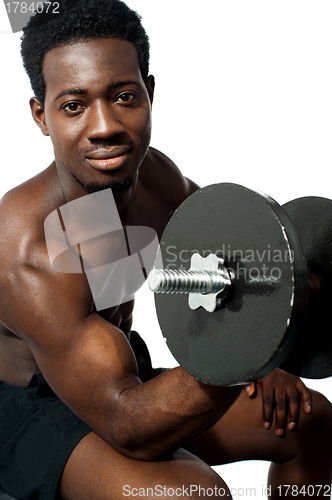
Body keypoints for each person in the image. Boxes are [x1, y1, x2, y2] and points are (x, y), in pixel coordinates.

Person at [0, 1, 331, 499]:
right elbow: (128, 422)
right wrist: (256, 350)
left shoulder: (159, 183)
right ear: (41, 116)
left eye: (124, 96)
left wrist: (280, 341)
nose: (105, 126)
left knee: (310, 421)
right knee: (192, 493)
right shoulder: (27, 248)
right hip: (24, 407)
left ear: (149, 94)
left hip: (113, 368)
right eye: (74, 106)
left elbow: (238, 261)